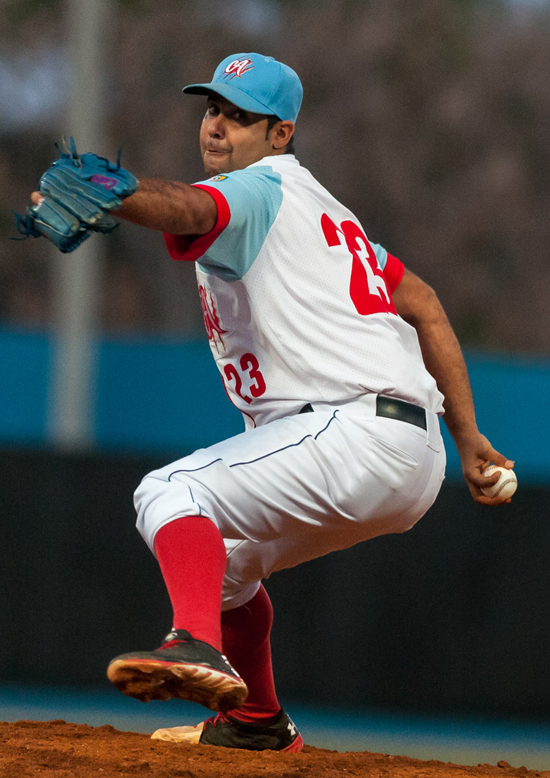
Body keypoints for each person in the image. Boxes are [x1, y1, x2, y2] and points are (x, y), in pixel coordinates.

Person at [33, 52, 514, 753]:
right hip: (406, 455)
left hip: (352, 430)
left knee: (168, 493)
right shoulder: (327, 217)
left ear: (280, 134)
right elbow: (426, 305)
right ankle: (257, 720)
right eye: (213, 109)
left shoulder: (260, 189)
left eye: (241, 116)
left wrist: (124, 192)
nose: (219, 127)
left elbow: (197, 206)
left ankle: (193, 645)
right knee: (225, 566)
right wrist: (468, 438)